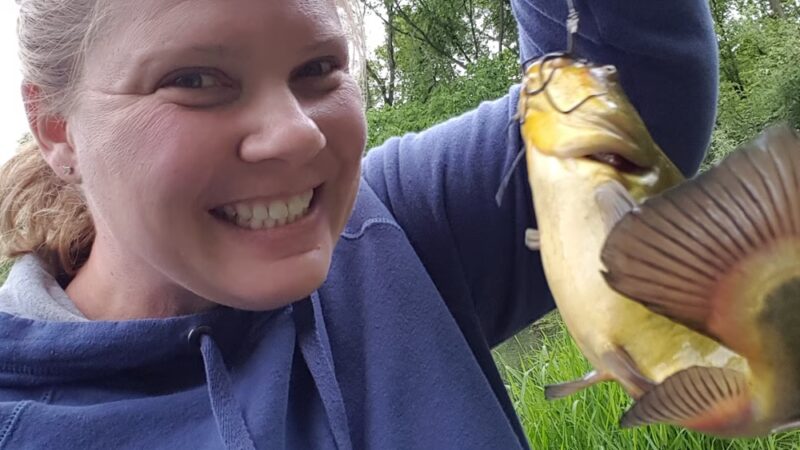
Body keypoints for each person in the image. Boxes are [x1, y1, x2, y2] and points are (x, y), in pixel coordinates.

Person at [0, 0, 718, 448]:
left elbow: (621, 100)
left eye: (317, 67)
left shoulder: (395, 228)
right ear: (56, 126)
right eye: (194, 80)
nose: (295, 133)